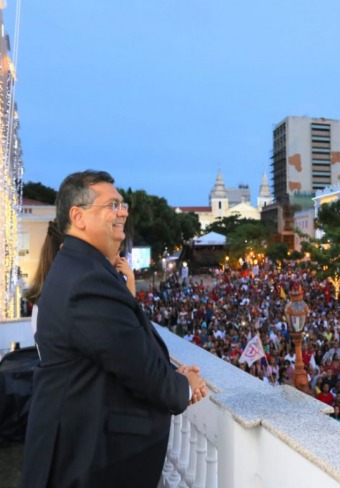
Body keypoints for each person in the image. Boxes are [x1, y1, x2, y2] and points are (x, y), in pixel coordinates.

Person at [22, 170, 207, 488]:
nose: (123, 212)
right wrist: (185, 387)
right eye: (112, 205)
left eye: (123, 204)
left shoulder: (79, 268)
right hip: (89, 462)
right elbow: (139, 366)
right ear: (78, 216)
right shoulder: (87, 279)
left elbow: (118, 349)